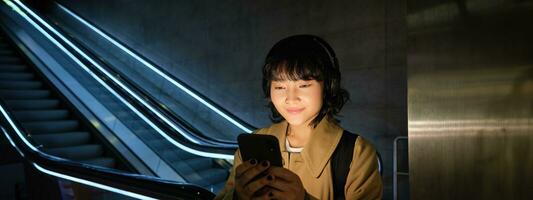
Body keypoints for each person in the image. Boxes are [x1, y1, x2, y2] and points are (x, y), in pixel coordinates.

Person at [215, 35, 383, 200]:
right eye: (280, 87)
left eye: (303, 85)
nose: (291, 98)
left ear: (328, 86)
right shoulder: (253, 143)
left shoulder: (356, 153)